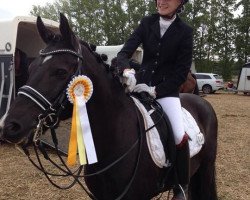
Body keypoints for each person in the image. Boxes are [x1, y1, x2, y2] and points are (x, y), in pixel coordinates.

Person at [117, 0, 193, 199]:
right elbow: (124, 52)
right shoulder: (147, 22)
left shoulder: (185, 31)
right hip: (139, 86)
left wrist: (156, 90)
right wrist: (126, 69)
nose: (162, 1)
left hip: (166, 92)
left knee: (178, 134)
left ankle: (181, 186)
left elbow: (181, 72)